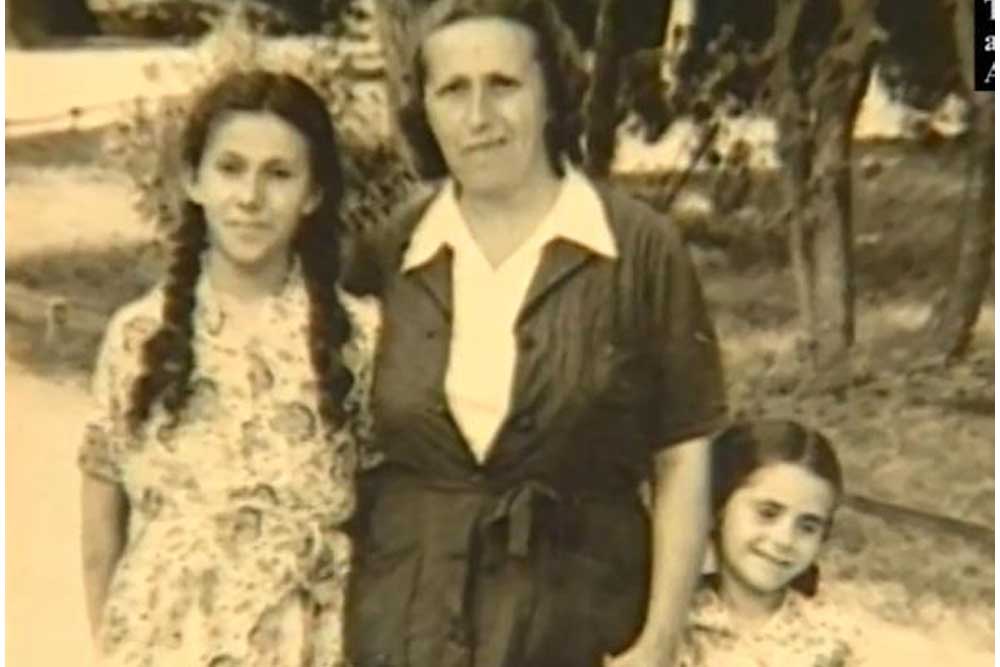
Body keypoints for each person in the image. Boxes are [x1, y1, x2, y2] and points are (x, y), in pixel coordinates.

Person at [342, 1, 727, 666]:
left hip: (578, 617)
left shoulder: (638, 247)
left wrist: (660, 636)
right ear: (425, 110)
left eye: (505, 85)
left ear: (553, 94)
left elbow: (683, 451)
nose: (479, 117)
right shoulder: (392, 248)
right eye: (453, 91)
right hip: (410, 619)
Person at [78, 70, 375, 667]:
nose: (250, 198)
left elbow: (387, 515)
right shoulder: (138, 336)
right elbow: (99, 530)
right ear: (194, 180)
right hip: (167, 641)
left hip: (310, 643)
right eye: (230, 168)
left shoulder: (360, 336)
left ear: (313, 194)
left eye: (280, 174)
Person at [675, 420, 861, 666]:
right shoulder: (673, 621)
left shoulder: (833, 637)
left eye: (807, 526)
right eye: (768, 513)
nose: (785, 540)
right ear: (719, 507)